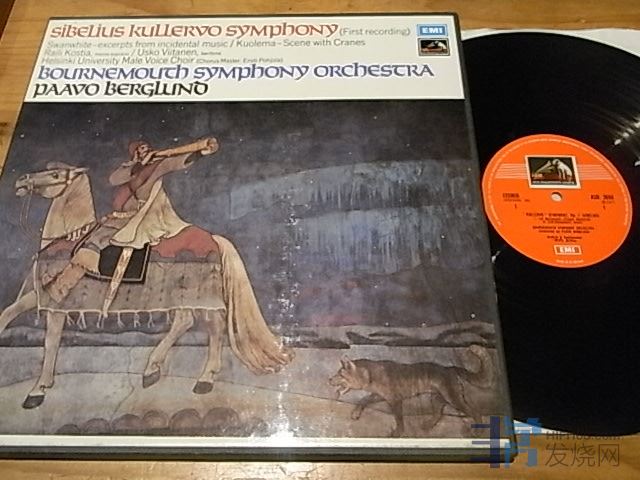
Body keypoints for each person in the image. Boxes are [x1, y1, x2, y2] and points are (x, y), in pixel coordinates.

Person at [44, 137, 219, 310]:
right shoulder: (132, 171)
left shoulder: (157, 165)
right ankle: (67, 284)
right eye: (140, 149)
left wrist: (199, 152)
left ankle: (61, 287)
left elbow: (175, 163)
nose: (145, 150)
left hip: (146, 218)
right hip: (123, 216)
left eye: (146, 147)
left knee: (97, 240)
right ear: (135, 154)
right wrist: (134, 164)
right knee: (92, 233)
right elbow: (113, 179)